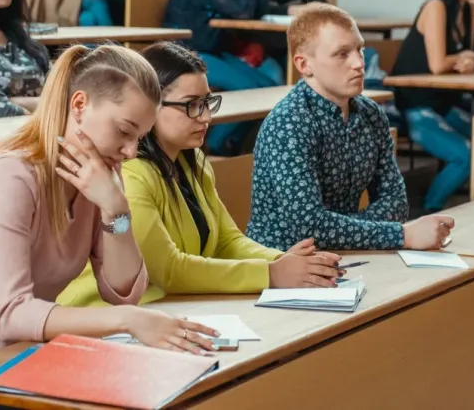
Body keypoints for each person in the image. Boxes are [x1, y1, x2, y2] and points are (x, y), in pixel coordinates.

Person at [0, 44, 219, 410]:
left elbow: (123, 291)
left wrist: (115, 209)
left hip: (19, 356)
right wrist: (128, 321)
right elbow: (13, 314)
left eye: (140, 137)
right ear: (79, 106)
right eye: (124, 131)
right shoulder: (9, 176)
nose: (130, 152)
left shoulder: (101, 177)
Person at [58, 42, 343, 307]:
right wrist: (271, 273)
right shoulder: (130, 173)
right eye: (192, 105)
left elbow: (227, 241)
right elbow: (167, 270)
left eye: (207, 102)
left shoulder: (190, 159)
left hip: (169, 307)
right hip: (103, 313)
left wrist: (286, 262)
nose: (206, 117)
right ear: (149, 106)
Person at [246, 5, 454, 251]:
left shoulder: (371, 114)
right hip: (282, 263)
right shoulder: (289, 123)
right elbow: (309, 228)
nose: (358, 63)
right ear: (304, 65)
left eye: (360, 49)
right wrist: (401, 235)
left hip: (348, 253)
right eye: (342, 54)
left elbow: (396, 204)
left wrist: (342, 230)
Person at [163, 0, 285, 155]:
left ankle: (231, 146)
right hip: (186, 53)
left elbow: (258, 9)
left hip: (214, 52)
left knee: (268, 88)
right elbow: (242, 13)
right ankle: (214, 148)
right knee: (249, 90)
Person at [390, 0, 474, 213]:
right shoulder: (436, 7)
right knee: (466, 156)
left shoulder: (470, 12)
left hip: (444, 102)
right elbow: (438, 64)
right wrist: (463, 58)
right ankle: (428, 211)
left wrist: (469, 59)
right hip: (415, 104)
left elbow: (465, 58)